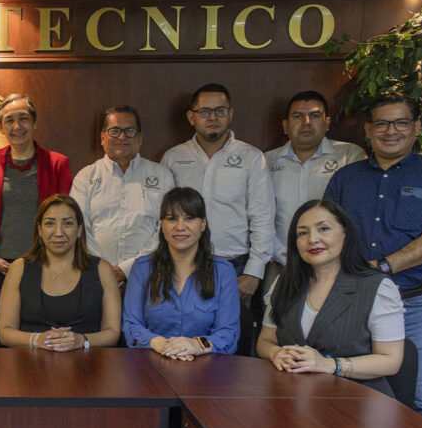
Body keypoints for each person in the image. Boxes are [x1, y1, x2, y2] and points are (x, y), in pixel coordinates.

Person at [324, 92, 422, 428]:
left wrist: (382, 267)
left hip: (417, 303)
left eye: (401, 122)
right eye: (382, 123)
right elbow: (327, 231)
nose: (392, 131)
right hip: (357, 305)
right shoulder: (346, 179)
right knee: (356, 395)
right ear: (369, 130)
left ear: (417, 127)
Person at [160, 84, 274, 354]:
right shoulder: (173, 158)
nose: (213, 117)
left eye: (220, 110)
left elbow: (262, 216)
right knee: (183, 342)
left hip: (235, 269)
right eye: (205, 111)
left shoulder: (251, 157)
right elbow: (162, 218)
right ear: (192, 117)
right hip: (182, 267)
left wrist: (253, 273)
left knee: (230, 346)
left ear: (230, 114)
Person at [256, 199, 404, 395]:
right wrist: (276, 353)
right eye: (302, 233)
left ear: (345, 232)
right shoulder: (284, 281)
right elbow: (265, 341)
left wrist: (331, 365)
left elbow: (391, 361)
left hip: (359, 401)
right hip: (293, 396)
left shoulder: (378, 287)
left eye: (323, 229)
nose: (313, 239)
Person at [0, 94, 72, 347]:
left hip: (41, 266)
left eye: (23, 119)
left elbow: (64, 220)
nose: (17, 126)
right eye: (9, 120)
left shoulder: (57, 163)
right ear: (0, 126)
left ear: (35, 122)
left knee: (38, 337)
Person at [123, 187, 240, 358]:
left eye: (189, 219)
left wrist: (197, 345)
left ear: (203, 224)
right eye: (171, 219)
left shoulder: (223, 272)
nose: (180, 226)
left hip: (206, 368)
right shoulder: (142, 268)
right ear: (162, 225)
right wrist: (159, 343)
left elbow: (228, 333)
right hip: (152, 363)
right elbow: (131, 325)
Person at [264, 91, 366, 283]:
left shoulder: (349, 156)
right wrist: (279, 252)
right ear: (285, 126)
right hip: (281, 261)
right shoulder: (266, 161)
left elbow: (357, 213)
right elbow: (260, 214)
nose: (307, 122)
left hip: (335, 261)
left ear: (327, 123)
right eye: (297, 116)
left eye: (315, 115)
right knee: (277, 311)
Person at [0, 194, 120, 351]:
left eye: (68, 223)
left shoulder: (103, 269)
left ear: (79, 229)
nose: (58, 232)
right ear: (40, 229)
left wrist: (81, 341)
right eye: (50, 223)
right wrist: (38, 339)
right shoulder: (18, 268)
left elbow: (113, 333)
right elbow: (4, 332)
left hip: (88, 367)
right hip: (29, 366)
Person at [70, 105, 174, 288]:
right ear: (103, 137)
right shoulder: (86, 177)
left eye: (130, 131)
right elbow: (78, 228)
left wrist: (127, 269)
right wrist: (104, 268)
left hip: (149, 276)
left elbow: (166, 228)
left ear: (140, 138)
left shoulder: (162, 176)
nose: (122, 137)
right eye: (115, 130)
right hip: (94, 276)